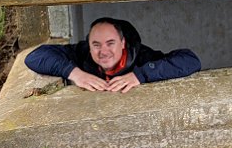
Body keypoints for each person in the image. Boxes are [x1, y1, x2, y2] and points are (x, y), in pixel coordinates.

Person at [24, 17, 200, 93]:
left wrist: (141, 75)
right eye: (96, 45)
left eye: (110, 43)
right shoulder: (82, 53)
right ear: (89, 46)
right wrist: (75, 73)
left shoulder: (140, 56)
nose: (104, 52)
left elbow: (190, 60)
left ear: (123, 44)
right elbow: (34, 57)